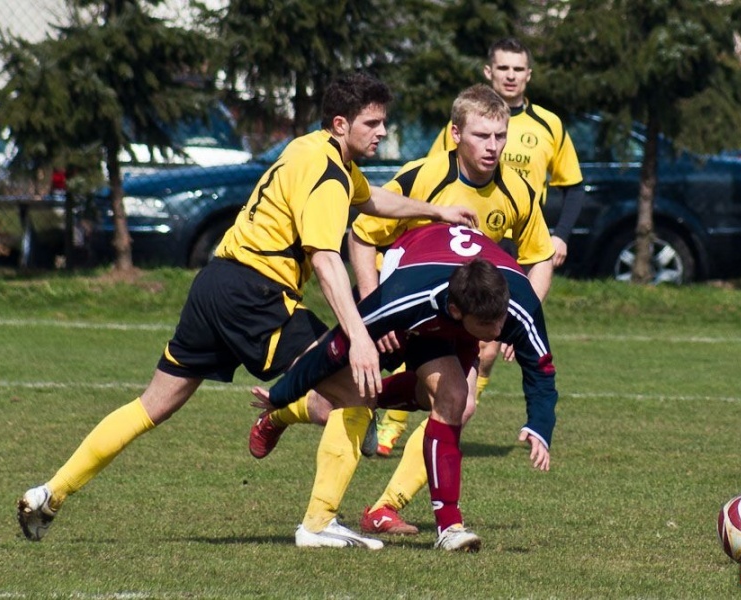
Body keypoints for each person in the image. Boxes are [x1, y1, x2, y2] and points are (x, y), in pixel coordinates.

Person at [16, 71, 478, 545]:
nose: (382, 132)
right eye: (373, 123)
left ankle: (50, 493)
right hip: (256, 296)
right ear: (341, 123)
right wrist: (358, 336)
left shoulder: (309, 147)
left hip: (215, 283)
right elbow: (325, 259)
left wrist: (436, 210)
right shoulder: (328, 178)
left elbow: (372, 199)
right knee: (356, 389)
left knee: (152, 405)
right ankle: (319, 523)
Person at [247, 83, 555, 538]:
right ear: (455, 134)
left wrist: (510, 323)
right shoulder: (423, 176)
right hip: (393, 303)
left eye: (500, 136)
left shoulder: (519, 192)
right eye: (481, 136)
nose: (492, 147)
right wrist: (372, 318)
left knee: (458, 403)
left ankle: (386, 509)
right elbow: (363, 234)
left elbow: (539, 255)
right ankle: (285, 428)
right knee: (344, 396)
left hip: (455, 312)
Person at [251, 222, 558, 551]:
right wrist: (283, 391)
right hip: (409, 275)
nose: (499, 329)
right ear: (456, 311)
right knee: (351, 394)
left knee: (456, 401)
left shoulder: (516, 302)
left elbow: (540, 367)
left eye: (501, 319)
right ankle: (282, 417)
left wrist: (539, 425)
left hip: (454, 308)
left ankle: (449, 528)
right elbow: (335, 346)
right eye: (489, 324)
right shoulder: (404, 297)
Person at [376, 37, 583, 455]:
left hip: (503, 245)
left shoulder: (548, 127)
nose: (492, 145)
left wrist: (557, 234)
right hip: (439, 253)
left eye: (517, 69)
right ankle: (386, 426)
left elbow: (572, 187)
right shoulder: (461, 127)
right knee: (419, 362)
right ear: (489, 71)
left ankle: (434, 434)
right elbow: (431, 183)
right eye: (502, 68)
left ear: (529, 74)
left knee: (478, 362)